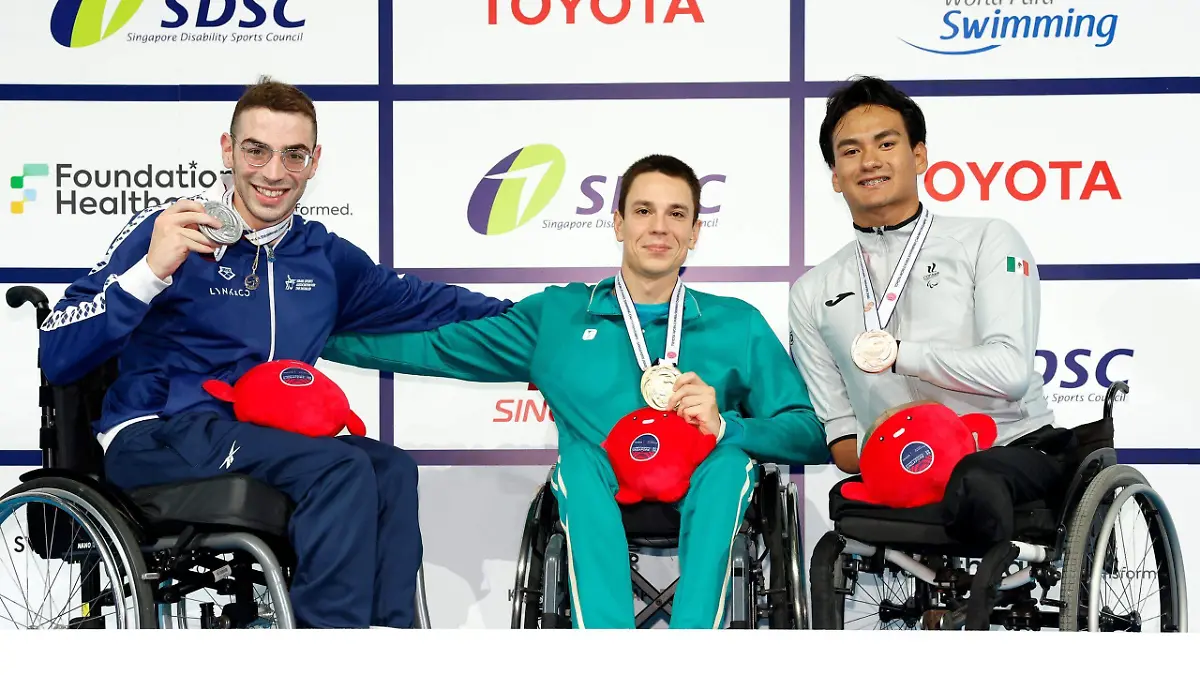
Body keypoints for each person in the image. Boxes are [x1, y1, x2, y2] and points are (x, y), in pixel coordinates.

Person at [38, 77, 513, 628]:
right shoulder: (171, 231)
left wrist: (530, 321)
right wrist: (149, 273)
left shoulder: (322, 257)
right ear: (227, 150)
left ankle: (387, 639)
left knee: (389, 468)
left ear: (314, 162)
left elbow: (421, 302)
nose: (273, 172)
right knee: (339, 468)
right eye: (256, 150)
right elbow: (59, 351)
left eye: (293, 155)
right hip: (157, 434)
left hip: (264, 435)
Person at [322, 154, 828, 628]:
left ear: (695, 232)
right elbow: (439, 346)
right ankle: (606, 654)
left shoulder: (736, 323)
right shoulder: (560, 317)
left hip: (705, 479)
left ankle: (693, 653)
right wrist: (313, 337)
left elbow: (807, 432)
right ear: (617, 223)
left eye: (677, 214)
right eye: (643, 210)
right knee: (580, 464)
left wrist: (725, 426)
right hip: (601, 481)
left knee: (731, 465)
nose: (659, 227)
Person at [788, 76, 1074, 545]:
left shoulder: (987, 239)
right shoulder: (812, 290)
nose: (870, 161)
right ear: (835, 176)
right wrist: (903, 453)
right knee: (846, 500)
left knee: (976, 481)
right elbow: (841, 437)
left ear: (918, 155)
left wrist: (899, 353)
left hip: (1008, 449)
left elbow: (1009, 372)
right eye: (851, 151)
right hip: (903, 467)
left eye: (886, 143)